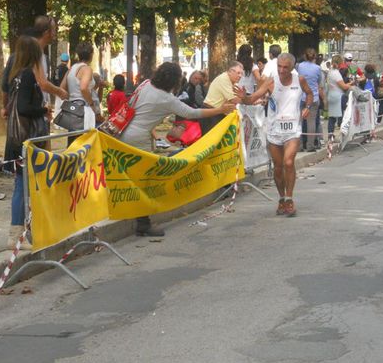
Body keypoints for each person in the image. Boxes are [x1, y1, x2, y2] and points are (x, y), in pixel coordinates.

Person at [119, 62, 236, 236]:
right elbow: (192, 113)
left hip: (124, 132)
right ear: (174, 81)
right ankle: (143, 224)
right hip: (138, 138)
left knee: (126, 176)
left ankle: (129, 213)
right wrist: (219, 109)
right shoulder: (166, 99)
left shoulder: (145, 84)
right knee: (143, 181)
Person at [5, 36, 66, 249]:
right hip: (28, 139)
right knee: (26, 185)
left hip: (17, 138)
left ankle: (23, 232)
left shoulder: (15, 75)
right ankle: (18, 234)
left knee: (24, 185)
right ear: (35, 55)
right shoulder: (28, 75)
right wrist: (43, 110)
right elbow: (23, 108)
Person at [245, 53, 313, 216]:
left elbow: (309, 94)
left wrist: (307, 107)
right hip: (274, 130)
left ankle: (289, 199)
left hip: (293, 130)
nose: (282, 70)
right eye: (279, 66)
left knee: (288, 162)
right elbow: (254, 97)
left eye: (286, 67)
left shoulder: (300, 80)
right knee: (278, 168)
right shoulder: (271, 81)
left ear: (292, 68)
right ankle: (282, 198)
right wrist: (243, 99)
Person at [59, 42, 101, 145]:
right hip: (84, 110)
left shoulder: (71, 69)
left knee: (73, 143)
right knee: (86, 143)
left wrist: (72, 96)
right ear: (91, 55)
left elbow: (62, 88)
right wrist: (92, 105)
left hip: (72, 110)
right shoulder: (86, 69)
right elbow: (83, 88)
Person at [200, 61, 244, 135]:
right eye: (238, 73)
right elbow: (234, 99)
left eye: (242, 73)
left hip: (217, 113)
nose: (240, 76)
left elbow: (236, 99)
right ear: (230, 71)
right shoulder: (224, 79)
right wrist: (245, 98)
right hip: (211, 114)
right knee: (211, 142)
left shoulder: (231, 82)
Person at [297, 48, 325, 151]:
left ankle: (299, 145)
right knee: (311, 122)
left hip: (301, 96)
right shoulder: (317, 68)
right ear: (315, 57)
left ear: (305, 56)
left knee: (299, 122)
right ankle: (310, 145)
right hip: (313, 97)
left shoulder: (299, 66)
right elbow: (319, 82)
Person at [327, 55, 355, 139]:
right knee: (341, 116)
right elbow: (344, 87)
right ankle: (343, 135)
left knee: (332, 117)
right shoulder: (336, 73)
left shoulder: (330, 72)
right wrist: (351, 83)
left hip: (331, 95)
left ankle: (330, 135)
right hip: (338, 96)